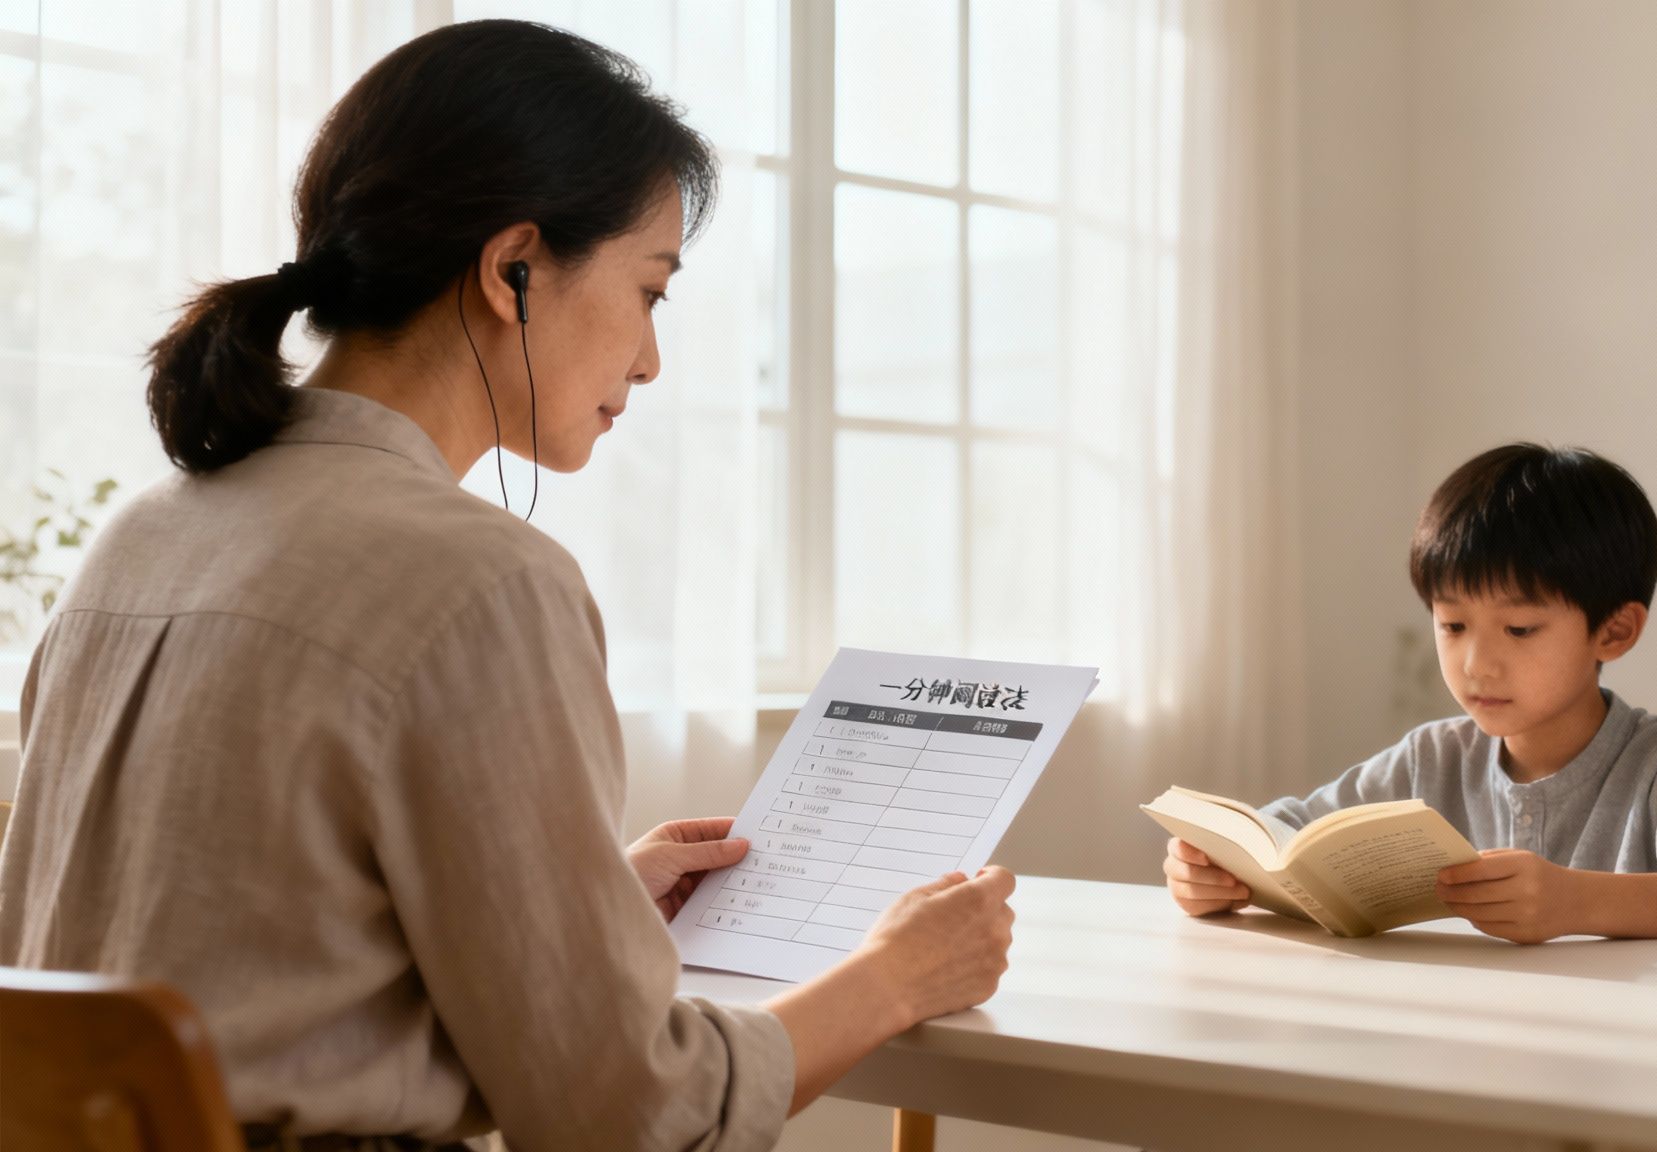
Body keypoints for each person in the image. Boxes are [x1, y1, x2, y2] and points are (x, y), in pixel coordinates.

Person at [0, 20, 1012, 1152]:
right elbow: (630, 1119)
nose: (649, 359)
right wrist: (894, 977)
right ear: (512, 269)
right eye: (650, 291)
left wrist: (582, 910)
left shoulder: (140, 538)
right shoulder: (480, 582)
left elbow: (247, 951)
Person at [1162, 443, 1657, 944]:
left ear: (1613, 631)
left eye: (1519, 630)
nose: (1476, 665)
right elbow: (1288, 833)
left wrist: (1575, 902)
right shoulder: (1432, 758)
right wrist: (1213, 868)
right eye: (1452, 626)